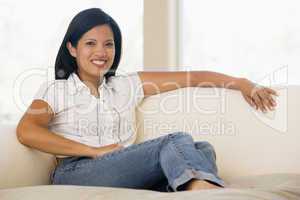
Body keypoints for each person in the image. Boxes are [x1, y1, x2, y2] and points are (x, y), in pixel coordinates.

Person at [16, 8, 278, 192]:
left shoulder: (125, 85)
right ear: (72, 48)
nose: (101, 52)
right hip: (75, 172)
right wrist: (95, 151)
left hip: (118, 169)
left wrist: (244, 83)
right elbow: (26, 131)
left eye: (109, 44)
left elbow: (193, 77)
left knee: (203, 149)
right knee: (174, 142)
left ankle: (193, 187)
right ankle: (203, 190)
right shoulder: (57, 89)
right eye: (90, 44)